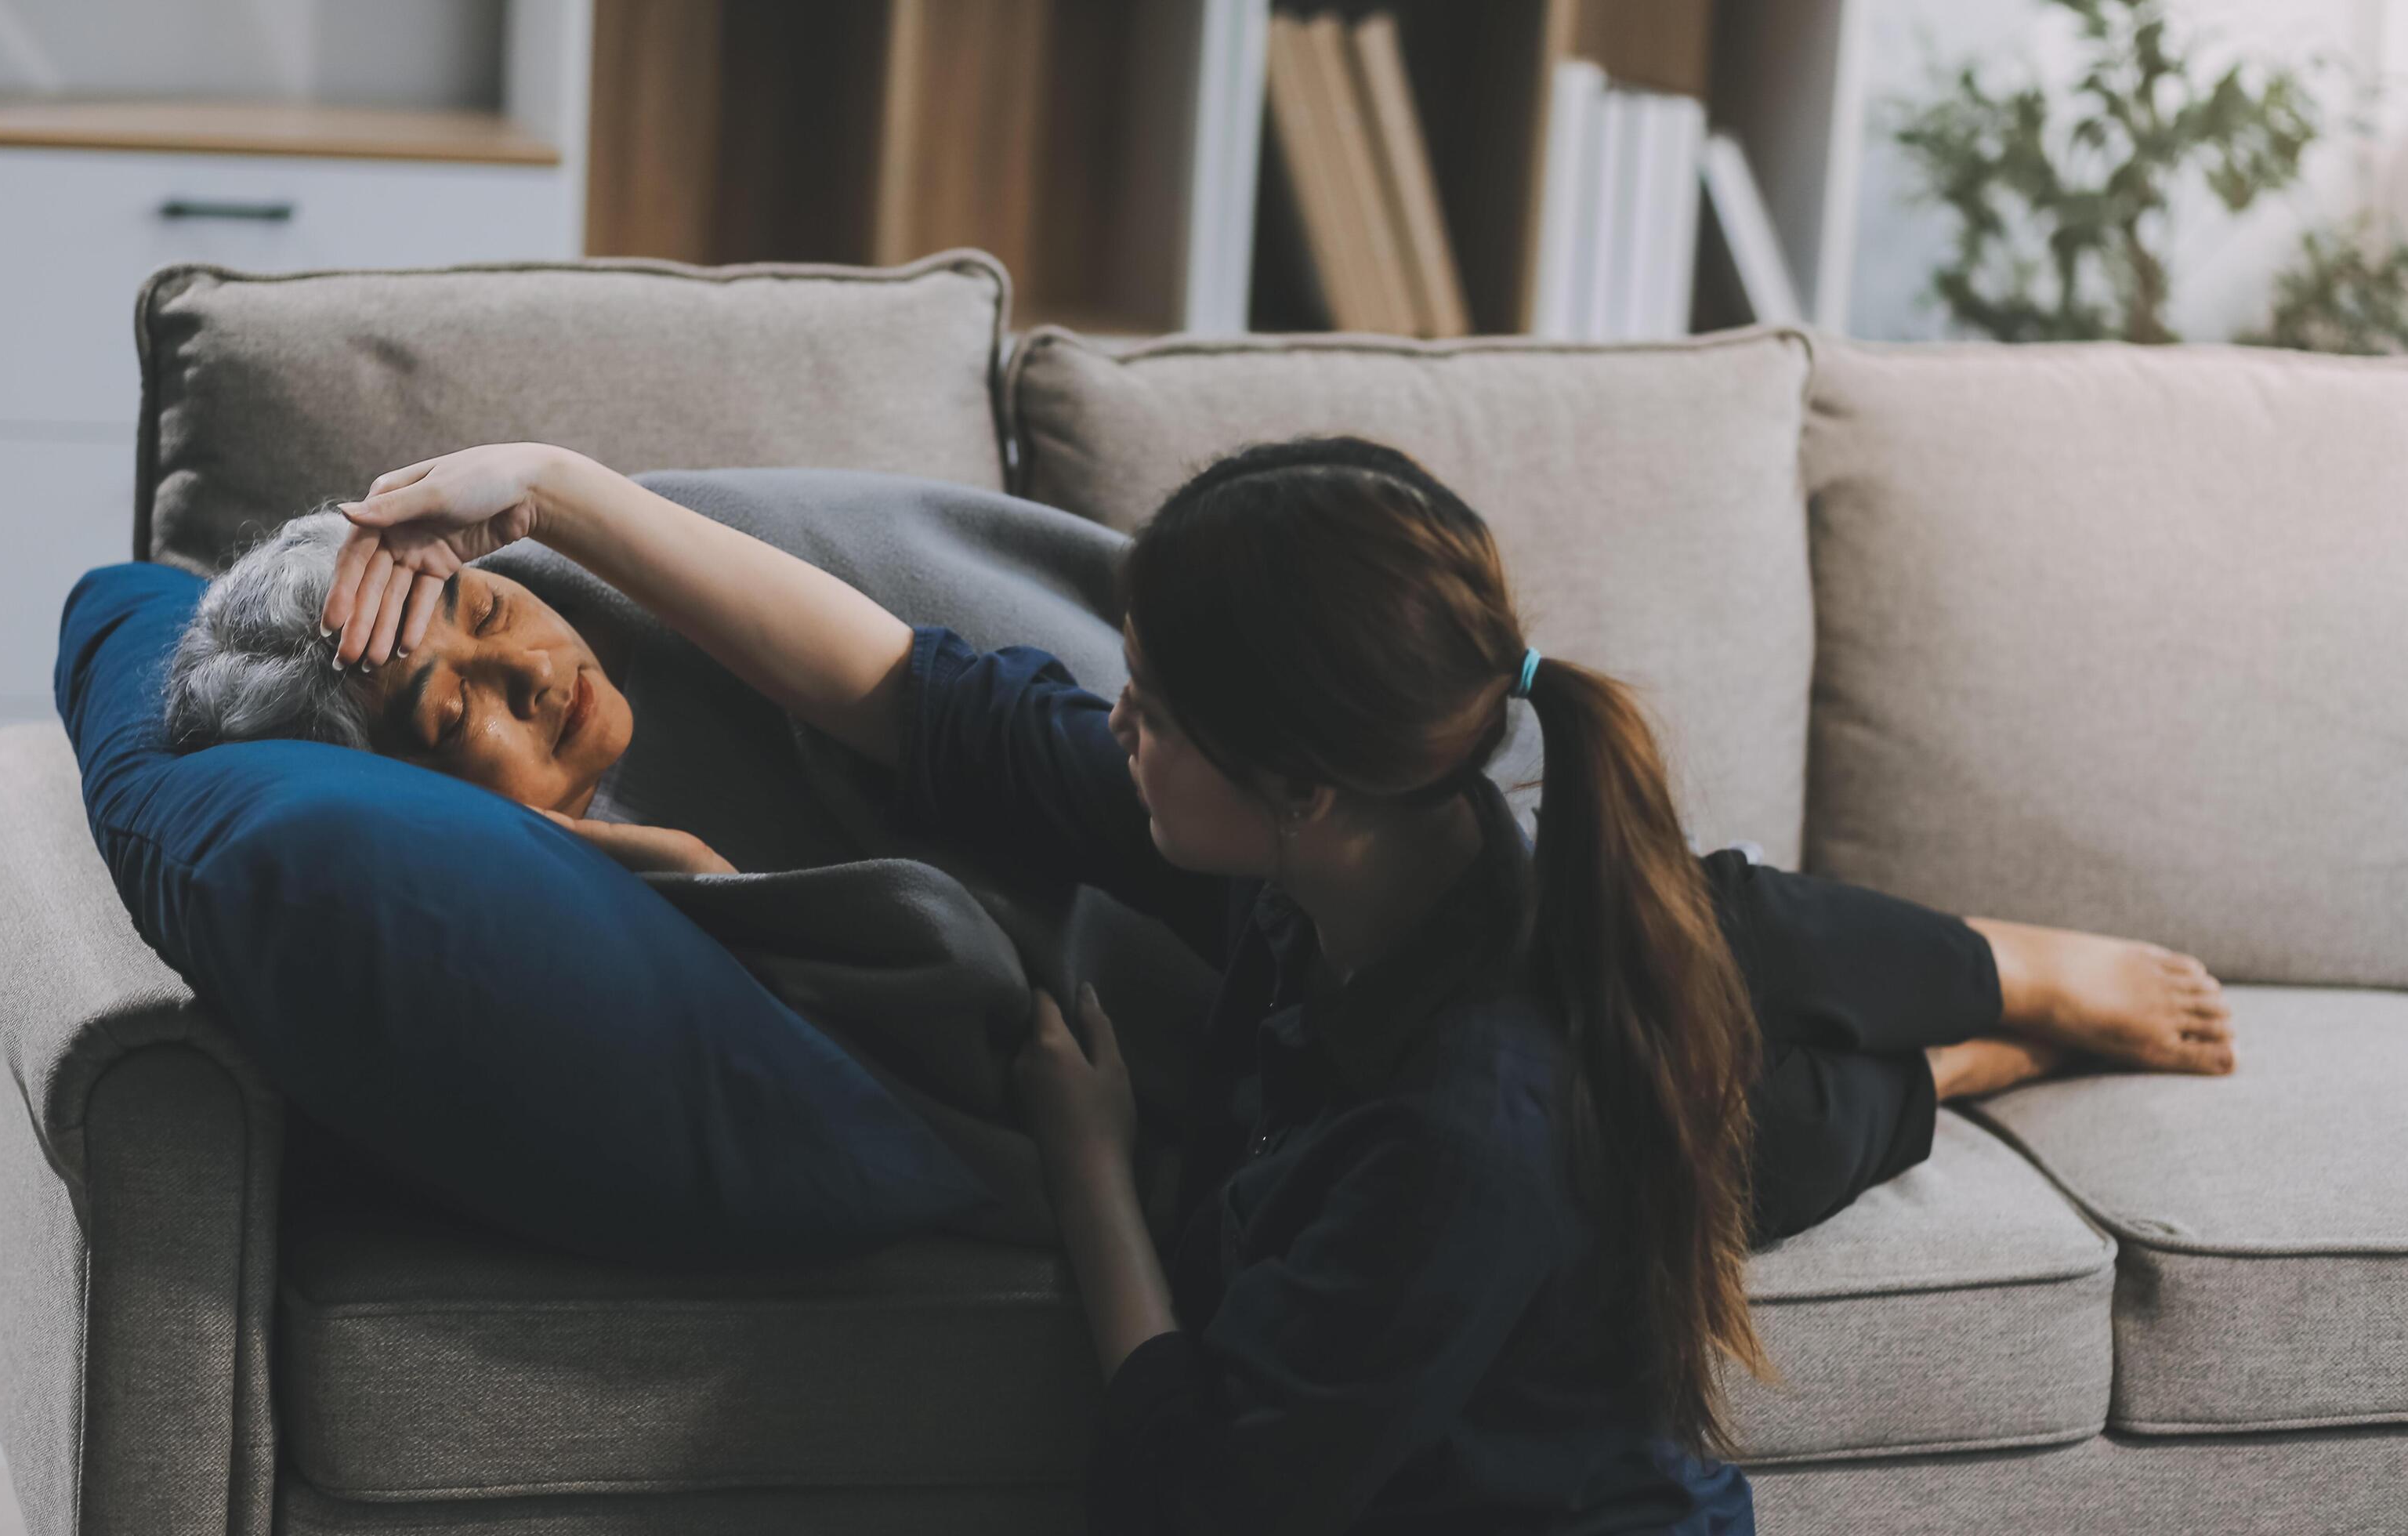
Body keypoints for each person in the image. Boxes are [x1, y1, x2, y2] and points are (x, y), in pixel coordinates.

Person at [201, 437, 2232, 1533]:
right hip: (1512, 1089)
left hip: (1527, 1286)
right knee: (1714, 1027)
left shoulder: (1470, 1133)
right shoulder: (1341, 871)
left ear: (1302, 794)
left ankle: (1977, 1025)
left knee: (1742, 1084)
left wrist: (1093, 1168)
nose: (1115, 732)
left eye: (1150, 714)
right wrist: (545, 479)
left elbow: (1203, 1492)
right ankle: (1979, 1013)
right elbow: (930, 706)